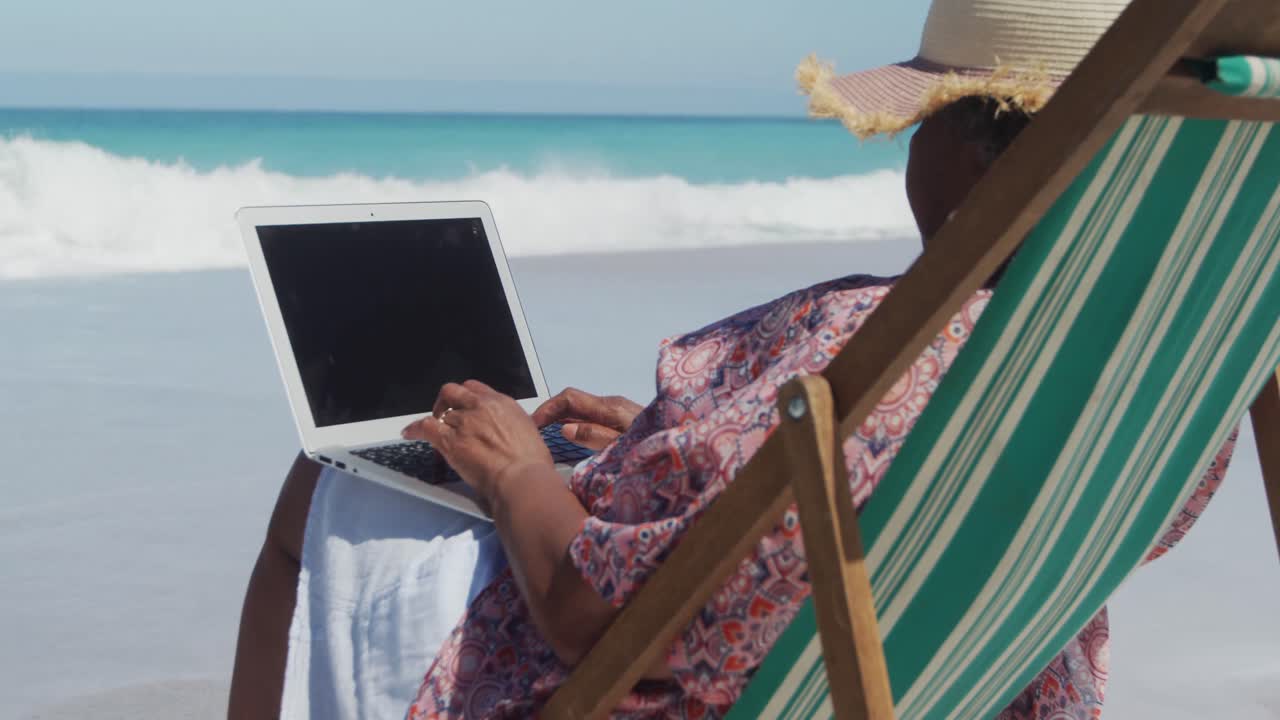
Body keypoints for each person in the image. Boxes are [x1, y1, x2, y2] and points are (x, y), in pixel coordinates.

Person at [228, 1, 1238, 718]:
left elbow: (592, 617)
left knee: (322, 485)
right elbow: (845, 504)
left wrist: (517, 475)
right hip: (952, 685)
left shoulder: (898, 358)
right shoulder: (1156, 365)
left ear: (981, 151)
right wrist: (687, 444)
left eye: (923, 117)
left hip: (661, 682)